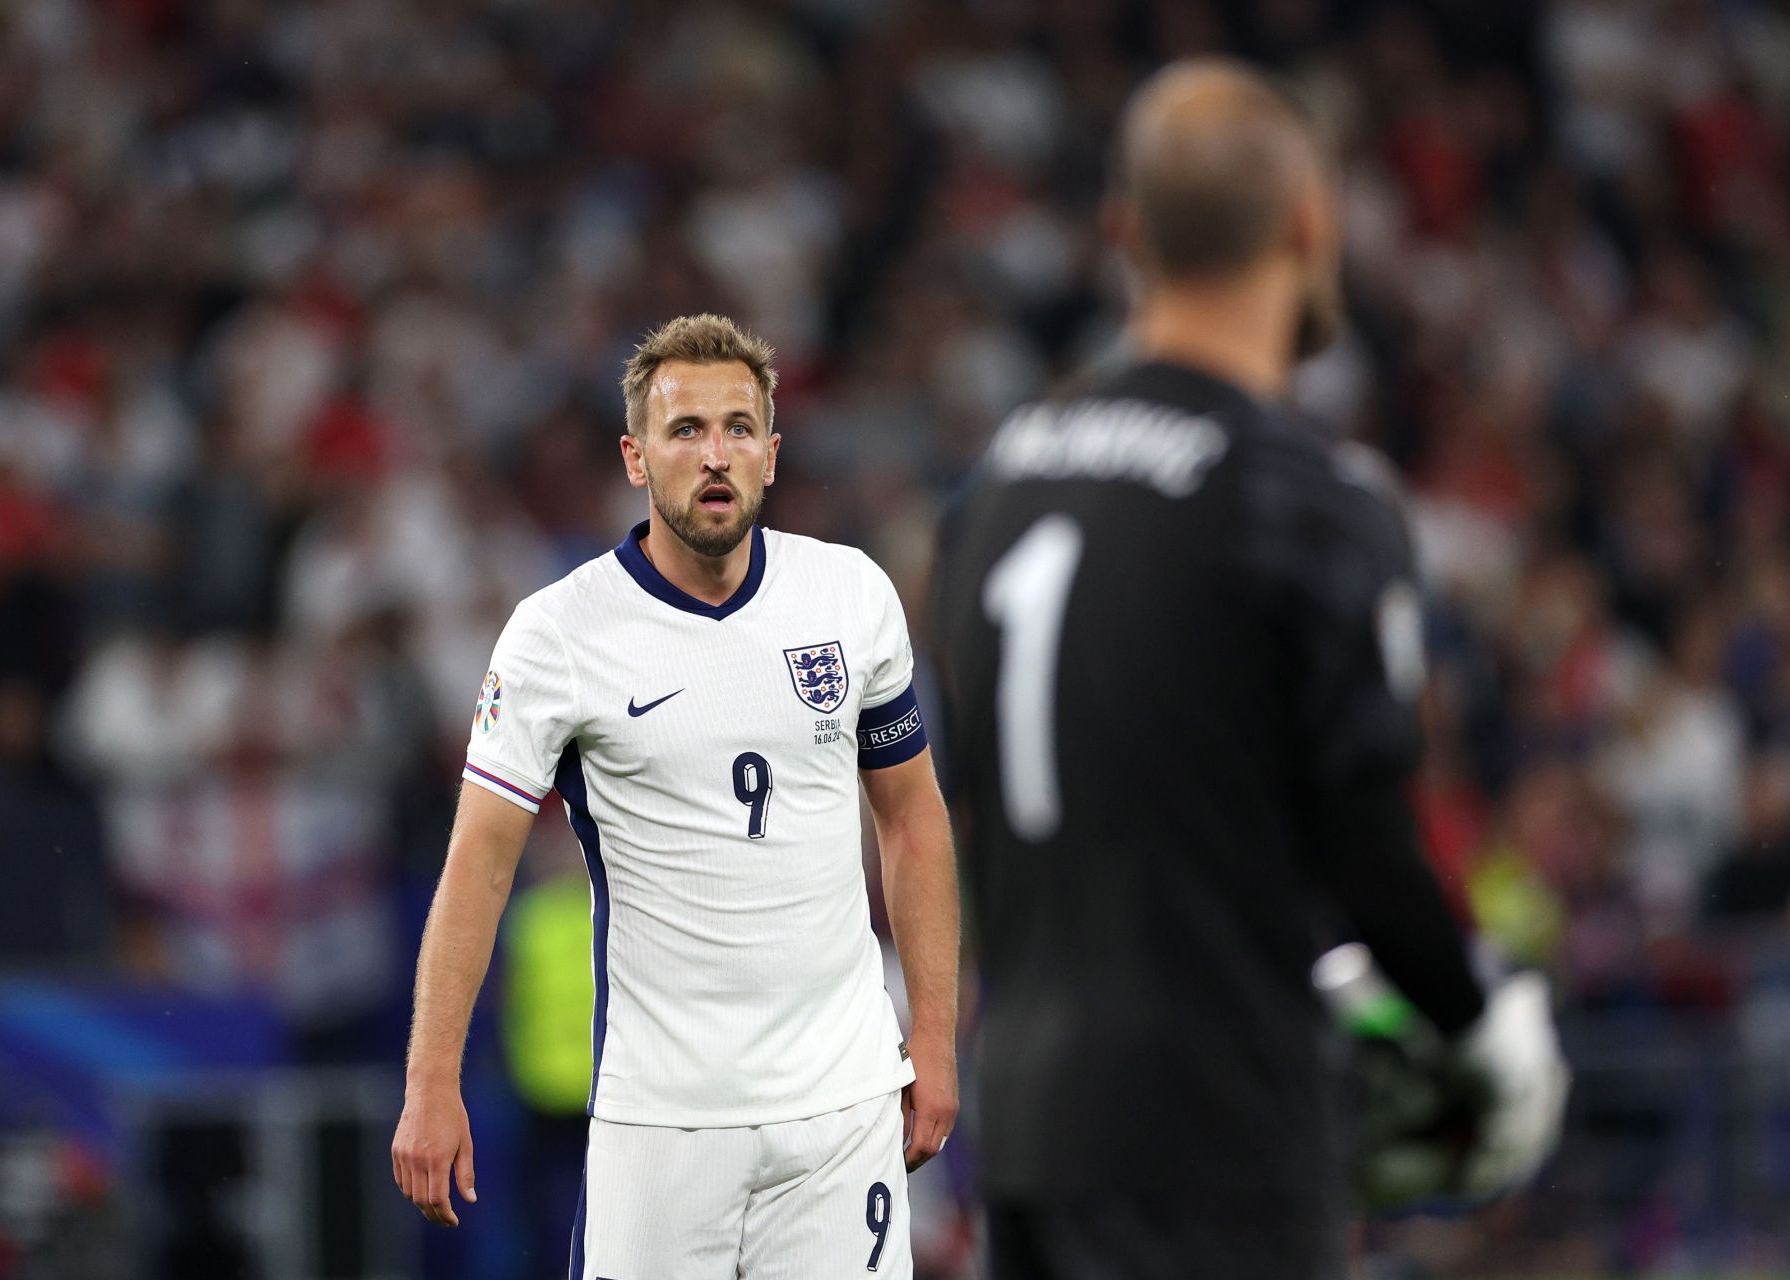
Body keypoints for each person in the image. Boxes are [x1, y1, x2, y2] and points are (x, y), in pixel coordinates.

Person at [929, 60, 1568, 1279]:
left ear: (1125, 236)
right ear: (1312, 227)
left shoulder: (995, 489)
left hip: (1028, 1131)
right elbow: (1370, 847)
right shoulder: (1303, 497)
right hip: (1216, 1137)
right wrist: (1481, 1022)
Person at [391, 313, 960, 1279]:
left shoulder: (850, 597)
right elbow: (479, 864)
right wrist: (431, 1081)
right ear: (635, 457)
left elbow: (911, 818)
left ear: (772, 455)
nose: (715, 454)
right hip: (661, 1125)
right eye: (685, 430)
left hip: (841, 1108)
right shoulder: (557, 635)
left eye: (739, 428)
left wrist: (936, 1043)